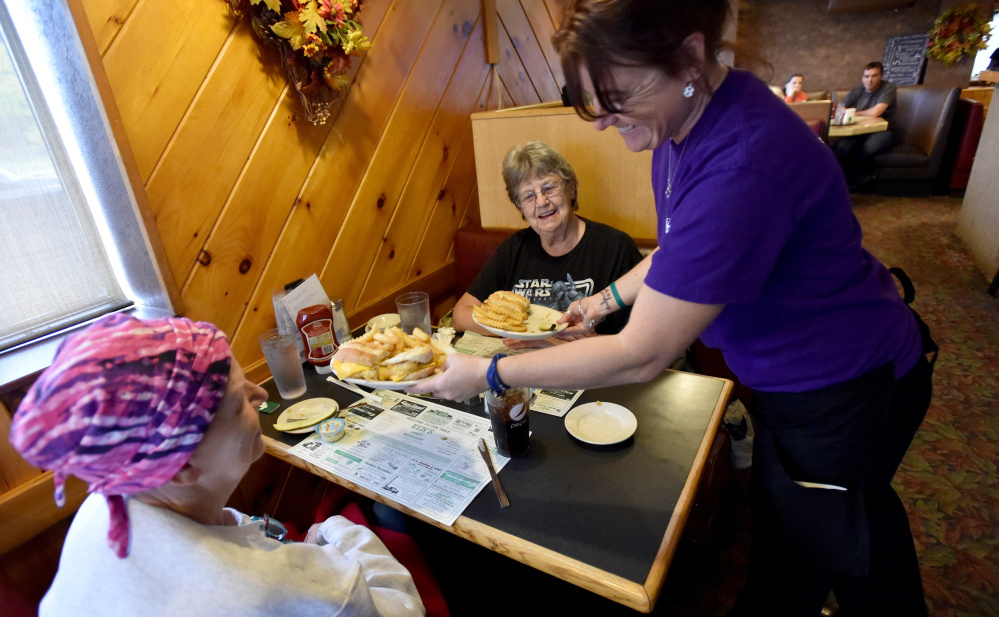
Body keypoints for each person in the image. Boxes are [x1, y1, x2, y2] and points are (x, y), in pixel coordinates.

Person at [410, 1, 933, 616]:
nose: (602, 121)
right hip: (797, 382)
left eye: (617, 96)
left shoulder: (742, 159)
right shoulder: (683, 124)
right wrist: (604, 300)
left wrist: (488, 372)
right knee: (836, 529)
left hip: (845, 384)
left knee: (819, 556)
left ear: (688, 55)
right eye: (587, 101)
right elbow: (676, 250)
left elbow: (643, 353)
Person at [10, 314, 426, 617]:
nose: (260, 394)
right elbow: (404, 608)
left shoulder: (105, 501)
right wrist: (337, 529)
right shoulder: (284, 587)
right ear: (178, 467)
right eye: (237, 402)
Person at [452, 140, 642, 347]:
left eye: (549, 188)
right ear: (520, 207)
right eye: (528, 196)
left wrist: (551, 340)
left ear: (570, 188)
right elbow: (460, 315)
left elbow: (640, 339)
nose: (541, 202)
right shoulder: (513, 249)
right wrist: (530, 333)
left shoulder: (615, 248)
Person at [833, 61, 897, 190]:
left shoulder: (888, 88)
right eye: (866, 76)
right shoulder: (857, 89)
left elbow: (876, 112)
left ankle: (856, 180)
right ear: (863, 77)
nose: (870, 80)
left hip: (883, 130)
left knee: (869, 148)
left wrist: (852, 112)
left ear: (881, 76)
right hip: (858, 131)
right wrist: (843, 110)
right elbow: (840, 109)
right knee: (841, 146)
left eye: (874, 76)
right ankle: (838, 182)